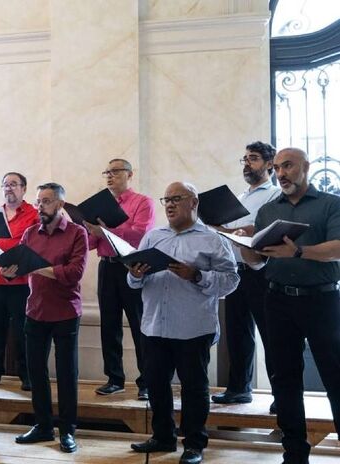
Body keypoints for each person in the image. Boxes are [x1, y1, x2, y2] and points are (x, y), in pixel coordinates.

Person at [241, 147, 340, 464]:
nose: (281, 173)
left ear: (305, 167)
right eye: (278, 168)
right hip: (278, 299)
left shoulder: (330, 205)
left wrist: (298, 252)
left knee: (335, 376)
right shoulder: (269, 212)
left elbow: (337, 249)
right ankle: (294, 452)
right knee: (284, 378)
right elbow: (258, 261)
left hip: (322, 301)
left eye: (288, 166)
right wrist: (244, 246)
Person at [128, 182, 238, 464]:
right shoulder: (153, 237)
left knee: (194, 388)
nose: (170, 204)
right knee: (156, 384)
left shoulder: (213, 240)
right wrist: (137, 274)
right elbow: (133, 281)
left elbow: (230, 281)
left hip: (193, 327)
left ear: (194, 203)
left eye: (177, 198)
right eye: (166, 199)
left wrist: (197, 276)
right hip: (154, 325)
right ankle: (163, 437)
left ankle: (194, 444)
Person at [6, 183, 87, 453]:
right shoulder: (30, 233)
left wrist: (38, 267)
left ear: (61, 205)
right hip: (35, 310)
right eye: (39, 201)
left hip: (65, 312)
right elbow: (18, 266)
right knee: (36, 372)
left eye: (47, 201)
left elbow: (74, 273)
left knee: (66, 374)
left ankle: (67, 431)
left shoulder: (78, 233)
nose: (40, 207)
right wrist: (9, 270)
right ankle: (42, 426)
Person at [211, 142, 280, 410]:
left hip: (261, 271)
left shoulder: (274, 195)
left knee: (270, 333)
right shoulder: (240, 197)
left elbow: (264, 227)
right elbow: (232, 230)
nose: (247, 164)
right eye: (245, 159)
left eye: (252, 159)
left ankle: (280, 393)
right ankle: (239, 388)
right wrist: (215, 225)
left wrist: (242, 231)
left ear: (269, 164)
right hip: (235, 270)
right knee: (237, 334)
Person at [81, 159, 155, 399]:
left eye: (115, 171)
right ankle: (114, 378)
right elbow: (93, 243)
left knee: (139, 323)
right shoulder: (102, 205)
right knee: (109, 325)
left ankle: (147, 382)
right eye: (107, 172)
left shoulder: (142, 202)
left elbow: (140, 234)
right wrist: (88, 232)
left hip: (133, 266)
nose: (110, 176)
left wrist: (106, 231)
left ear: (129, 174)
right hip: (107, 267)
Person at [0, 172, 39, 391]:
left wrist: (17, 265)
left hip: (22, 281)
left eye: (14, 184)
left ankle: (27, 374)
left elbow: (36, 245)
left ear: (24, 188)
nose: (9, 188)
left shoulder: (33, 213)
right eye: (5, 184)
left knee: (25, 330)